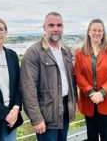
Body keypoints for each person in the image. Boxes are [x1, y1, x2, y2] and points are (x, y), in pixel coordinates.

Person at [20, 12, 77, 141]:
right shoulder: (33, 53)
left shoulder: (66, 50)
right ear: (44, 28)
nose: (56, 29)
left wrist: (73, 102)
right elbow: (28, 88)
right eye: (51, 25)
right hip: (46, 113)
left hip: (65, 108)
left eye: (59, 25)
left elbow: (71, 79)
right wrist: (36, 118)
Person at [74, 19, 107, 141]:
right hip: (88, 100)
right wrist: (90, 92)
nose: (97, 33)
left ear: (103, 33)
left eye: (100, 30)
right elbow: (78, 75)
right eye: (94, 30)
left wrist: (102, 93)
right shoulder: (79, 52)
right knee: (92, 135)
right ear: (89, 32)